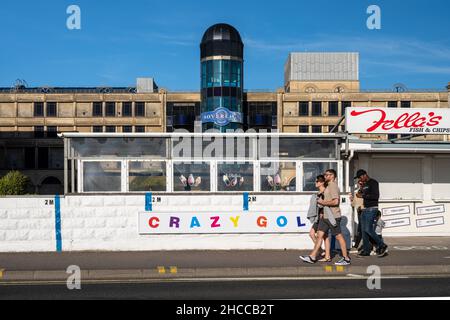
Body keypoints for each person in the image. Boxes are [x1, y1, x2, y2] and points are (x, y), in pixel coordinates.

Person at [300, 169, 351, 266]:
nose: (325, 176)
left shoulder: (333, 186)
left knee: (338, 236)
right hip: (325, 216)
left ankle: (346, 258)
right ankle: (312, 256)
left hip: (333, 216)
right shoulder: (328, 186)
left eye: (327, 175)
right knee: (319, 236)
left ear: (332, 176)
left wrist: (323, 202)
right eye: (325, 174)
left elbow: (336, 202)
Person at [355, 170, 388, 258]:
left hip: (372, 208)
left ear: (364, 175)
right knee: (363, 231)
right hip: (364, 209)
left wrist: (363, 196)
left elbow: (375, 196)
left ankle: (382, 245)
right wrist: (361, 187)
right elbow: (359, 194)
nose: (359, 179)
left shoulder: (373, 183)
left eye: (360, 177)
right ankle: (366, 250)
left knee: (368, 229)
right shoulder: (364, 184)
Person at [307, 175, 331, 262]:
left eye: (317, 181)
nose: (315, 183)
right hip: (318, 217)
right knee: (312, 234)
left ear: (322, 182)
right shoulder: (318, 193)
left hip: (324, 217)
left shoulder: (325, 192)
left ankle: (324, 255)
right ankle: (323, 252)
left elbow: (326, 204)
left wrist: (323, 212)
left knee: (323, 236)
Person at [349, 180, 365, 253]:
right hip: (360, 213)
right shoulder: (356, 193)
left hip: (366, 212)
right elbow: (353, 204)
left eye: (362, 183)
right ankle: (358, 246)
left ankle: (356, 246)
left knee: (363, 230)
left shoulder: (367, 191)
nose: (361, 184)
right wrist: (351, 200)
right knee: (361, 230)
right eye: (359, 183)